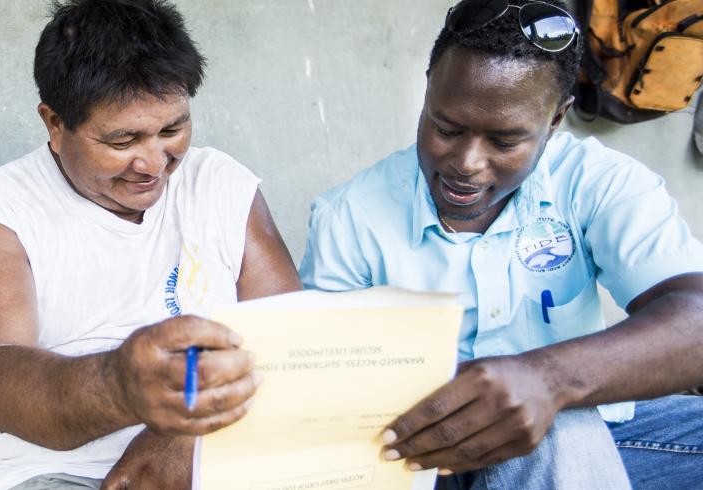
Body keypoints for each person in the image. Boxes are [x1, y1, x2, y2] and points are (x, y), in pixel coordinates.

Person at [299, 0, 703, 488]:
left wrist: (546, 380)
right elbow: (322, 391)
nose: (466, 162)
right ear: (427, 92)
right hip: (427, 458)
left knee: (562, 419)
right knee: (557, 428)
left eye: (505, 141)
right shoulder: (350, 218)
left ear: (554, 123)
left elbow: (695, 319)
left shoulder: (600, 183)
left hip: (599, 435)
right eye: (446, 128)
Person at [0, 1, 301, 488]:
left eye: (172, 130)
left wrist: (184, 436)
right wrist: (119, 386)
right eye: (123, 141)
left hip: (228, 454)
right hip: (63, 474)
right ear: (54, 123)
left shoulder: (221, 185)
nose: (153, 163)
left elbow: (295, 343)